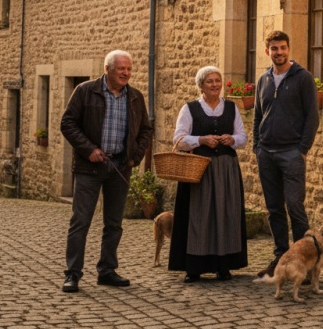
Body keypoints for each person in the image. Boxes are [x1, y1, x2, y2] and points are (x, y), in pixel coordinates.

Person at [61, 50, 153, 293]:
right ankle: (72, 274)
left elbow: (146, 130)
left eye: (129, 69)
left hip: (120, 167)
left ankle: (107, 270)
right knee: (80, 222)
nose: (126, 73)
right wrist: (89, 149)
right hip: (89, 168)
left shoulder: (135, 97)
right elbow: (67, 123)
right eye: (121, 68)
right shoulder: (85, 91)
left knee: (114, 223)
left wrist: (134, 157)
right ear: (107, 69)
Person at [169, 66, 249, 282]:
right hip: (199, 170)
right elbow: (179, 139)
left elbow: (243, 137)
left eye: (217, 80)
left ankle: (224, 266)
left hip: (226, 169)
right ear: (201, 86)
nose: (215, 85)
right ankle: (194, 267)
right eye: (210, 81)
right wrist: (201, 140)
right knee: (199, 216)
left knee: (226, 214)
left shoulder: (231, 108)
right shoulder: (190, 109)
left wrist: (232, 139)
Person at [252, 30, 320, 278]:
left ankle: (305, 261)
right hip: (267, 154)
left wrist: (302, 150)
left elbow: (312, 116)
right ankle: (280, 259)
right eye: (274, 48)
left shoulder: (303, 78)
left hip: (292, 153)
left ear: (288, 49)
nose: (278, 52)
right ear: (267, 51)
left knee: (294, 206)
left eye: (282, 47)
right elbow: (258, 115)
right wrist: (257, 146)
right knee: (274, 209)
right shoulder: (264, 79)